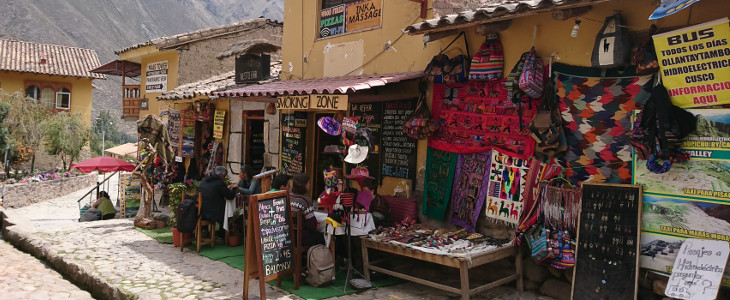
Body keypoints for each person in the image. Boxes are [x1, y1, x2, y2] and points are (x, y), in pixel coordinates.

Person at [199, 166, 237, 238]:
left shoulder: (205, 180)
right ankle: (222, 234)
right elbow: (230, 196)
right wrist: (233, 189)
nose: (225, 178)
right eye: (225, 176)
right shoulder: (219, 182)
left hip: (201, 211)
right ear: (222, 175)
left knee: (216, 205)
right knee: (225, 212)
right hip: (212, 212)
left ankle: (205, 230)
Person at [289, 173, 324, 246]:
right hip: (300, 237)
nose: (309, 185)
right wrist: (316, 225)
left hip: (286, 235)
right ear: (304, 185)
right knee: (322, 237)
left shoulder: (288, 197)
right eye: (308, 183)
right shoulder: (305, 200)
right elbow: (311, 225)